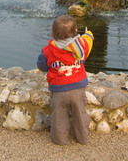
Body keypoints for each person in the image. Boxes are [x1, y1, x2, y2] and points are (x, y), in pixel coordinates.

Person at [37, 14, 93, 145]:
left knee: (59, 115)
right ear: (75, 31)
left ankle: (59, 139)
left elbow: (42, 66)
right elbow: (88, 41)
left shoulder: (49, 50)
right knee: (80, 114)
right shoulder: (81, 47)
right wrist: (88, 34)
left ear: (53, 33)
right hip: (78, 88)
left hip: (59, 90)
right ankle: (82, 137)